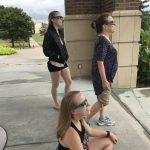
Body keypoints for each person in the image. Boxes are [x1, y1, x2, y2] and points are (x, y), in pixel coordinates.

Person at [90, 14, 118, 126]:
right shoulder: (103, 41)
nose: (115, 24)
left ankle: (101, 118)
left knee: (100, 98)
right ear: (105, 26)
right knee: (103, 100)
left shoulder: (104, 39)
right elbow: (99, 61)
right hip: (103, 77)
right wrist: (104, 80)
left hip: (102, 76)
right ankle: (82, 120)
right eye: (112, 22)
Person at [43, 11, 72, 110]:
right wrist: (58, 56)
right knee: (56, 85)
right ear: (53, 20)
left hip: (63, 62)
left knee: (69, 82)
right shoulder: (49, 34)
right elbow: (46, 51)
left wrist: (65, 55)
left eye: (61, 17)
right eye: (59, 17)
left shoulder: (60, 31)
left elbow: (63, 46)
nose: (61, 19)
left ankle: (67, 102)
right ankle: (56, 103)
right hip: (54, 63)